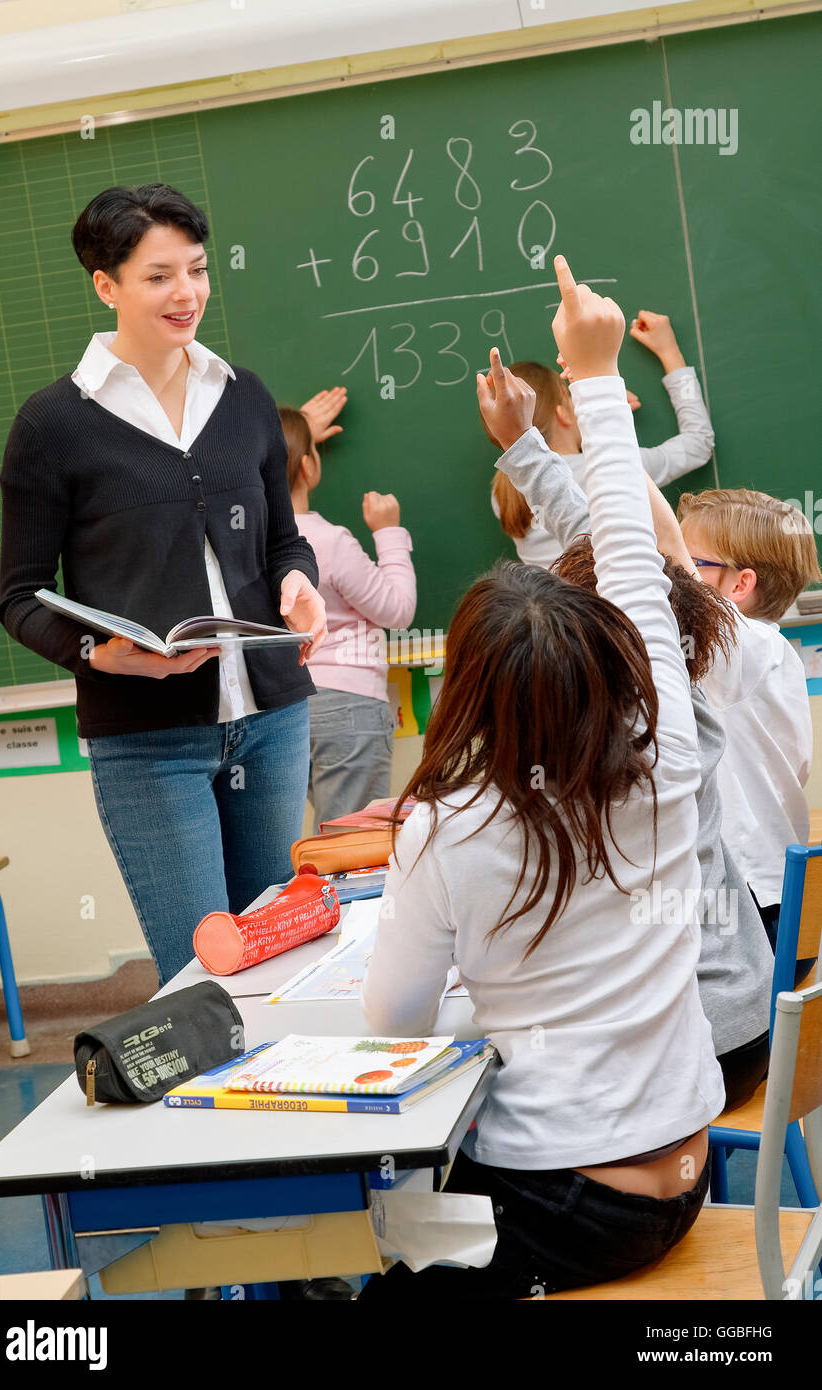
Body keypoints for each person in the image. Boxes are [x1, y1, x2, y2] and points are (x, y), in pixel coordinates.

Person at [359, 257, 724, 1300]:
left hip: (561, 1214)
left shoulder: (448, 824)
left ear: (464, 691)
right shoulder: (661, 758)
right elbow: (624, 543)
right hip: (682, 1176)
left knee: (376, 1224)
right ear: (612, 661)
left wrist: (488, 992)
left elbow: (394, 1025)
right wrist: (595, 376)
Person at [0, 183, 326, 985]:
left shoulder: (242, 396)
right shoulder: (54, 426)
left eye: (198, 270)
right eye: (158, 276)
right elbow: (20, 596)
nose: (187, 294)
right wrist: (100, 655)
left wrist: (299, 584)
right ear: (106, 285)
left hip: (272, 723)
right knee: (204, 978)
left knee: (280, 963)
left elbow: (284, 541)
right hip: (149, 743)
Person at [494, 402, 774, 1111]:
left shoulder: (592, 752)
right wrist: (524, 443)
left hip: (687, 1049)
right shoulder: (684, 697)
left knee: (510, 1087)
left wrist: (545, 434)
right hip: (751, 1022)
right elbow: (616, 551)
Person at [674, 488, 818, 952]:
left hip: (756, 901)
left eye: (686, 562)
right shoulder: (748, 654)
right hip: (767, 890)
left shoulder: (748, 645)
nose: (670, 572)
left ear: (739, 586)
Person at [490, 308, 715, 569]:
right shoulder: (610, 468)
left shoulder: (501, 493)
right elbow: (698, 444)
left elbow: (558, 484)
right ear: (562, 413)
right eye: (569, 396)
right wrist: (669, 352)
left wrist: (601, 423)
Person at [281, 403, 416, 827]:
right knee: (349, 844)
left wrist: (288, 441)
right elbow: (396, 611)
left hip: (284, 707)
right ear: (308, 467)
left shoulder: (246, 544)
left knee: (329, 834)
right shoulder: (330, 541)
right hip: (348, 702)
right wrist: (388, 532)